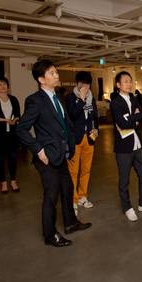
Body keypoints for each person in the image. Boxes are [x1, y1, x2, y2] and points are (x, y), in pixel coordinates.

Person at [16, 59, 91, 247]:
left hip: (61, 154)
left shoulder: (58, 97)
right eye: (52, 73)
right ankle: (50, 235)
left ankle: (71, 223)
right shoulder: (35, 100)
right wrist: (38, 150)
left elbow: (65, 124)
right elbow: (21, 129)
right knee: (51, 195)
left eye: (56, 72)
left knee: (67, 189)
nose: (56, 75)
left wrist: (72, 143)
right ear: (41, 79)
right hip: (47, 157)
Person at [110, 71, 142, 222]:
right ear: (118, 85)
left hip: (137, 144)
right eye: (125, 81)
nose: (129, 84)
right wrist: (134, 119)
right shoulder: (115, 102)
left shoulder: (134, 98)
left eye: (130, 81)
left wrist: (131, 118)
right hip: (123, 147)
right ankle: (127, 208)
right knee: (124, 180)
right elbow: (122, 123)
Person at [65, 71, 99, 215]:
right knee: (73, 171)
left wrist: (96, 130)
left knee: (86, 170)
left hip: (89, 138)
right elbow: (72, 115)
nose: (85, 86)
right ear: (77, 83)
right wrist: (81, 99)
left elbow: (95, 116)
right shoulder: (70, 98)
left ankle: (82, 196)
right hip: (75, 139)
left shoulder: (92, 98)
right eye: (83, 83)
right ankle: (73, 200)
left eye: (87, 83)